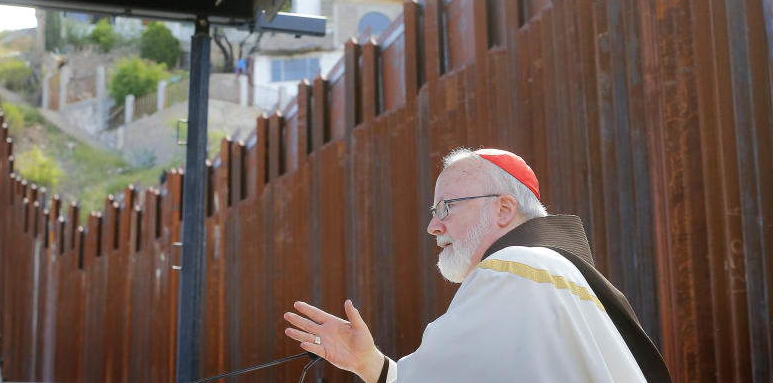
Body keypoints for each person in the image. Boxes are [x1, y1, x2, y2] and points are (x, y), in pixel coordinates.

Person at [284, 148, 671, 382]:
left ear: (504, 208)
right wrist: (370, 364)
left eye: (446, 207)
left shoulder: (513, 268)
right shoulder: (559, 277)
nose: (433, 226)